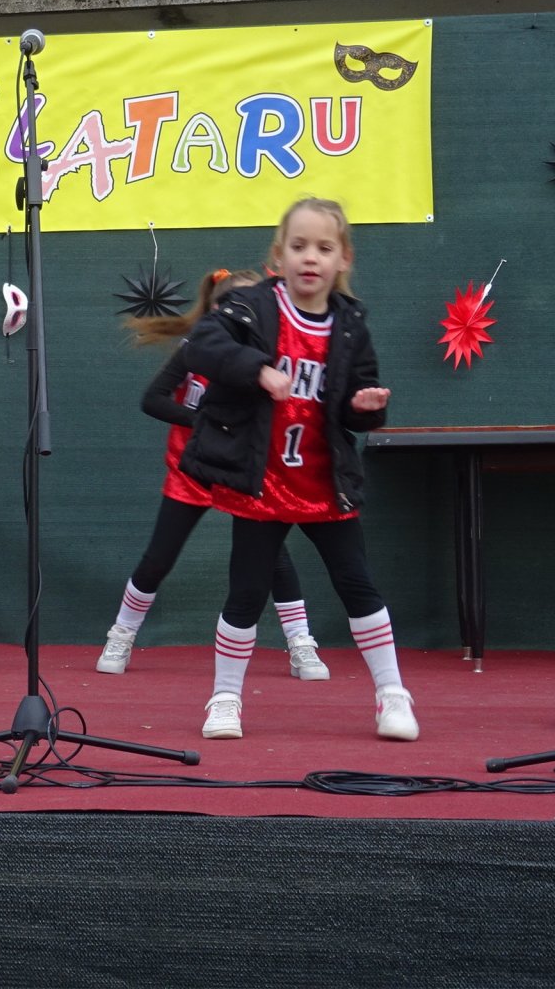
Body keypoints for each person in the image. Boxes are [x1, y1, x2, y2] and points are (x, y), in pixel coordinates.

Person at [181, 197, 419, 742]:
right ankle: (224, 699)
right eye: (299, 246)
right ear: (278, 256)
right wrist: (257, 369)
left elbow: (360, 395)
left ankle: (392, 695)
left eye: (324, 248)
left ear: (343, 260)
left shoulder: (352, 324)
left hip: (321, 486)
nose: (310, 258)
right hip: (261, 486)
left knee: (358, 585)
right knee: (245, 593)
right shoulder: (251, 308)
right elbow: (202, 346)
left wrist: (367, 406)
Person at [96, 268, 331, 681]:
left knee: (274, 559)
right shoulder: (196, 351)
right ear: (220, 311)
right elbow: (152, 399)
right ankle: (121, 634)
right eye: (242, 307)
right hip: (193, 469)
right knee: (159, 557)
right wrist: (203, 417)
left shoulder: (268, 360)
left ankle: (301, 644)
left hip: (243, 470)